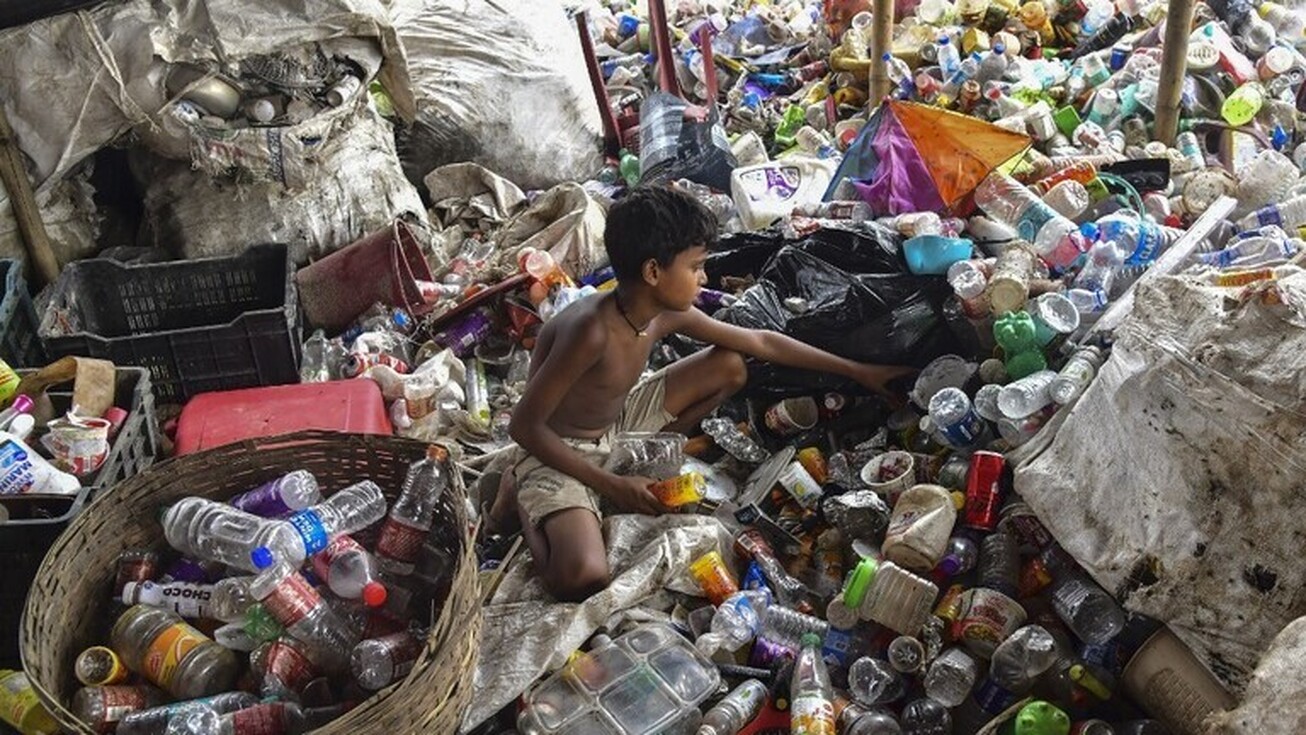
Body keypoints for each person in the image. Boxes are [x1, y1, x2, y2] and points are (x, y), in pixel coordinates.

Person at [492, 187, 914, 602]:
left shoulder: (659, 313)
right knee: (584, 577)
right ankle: (522, 496)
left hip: (616, 422)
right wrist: (614, 486)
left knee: (729, 365)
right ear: (653, 272)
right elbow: (524, 427)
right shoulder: (591, 330)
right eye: (696, 267)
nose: (705, 278)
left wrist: (858, 371)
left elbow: (760, 342)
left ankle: (643, 459)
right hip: (556, 448)